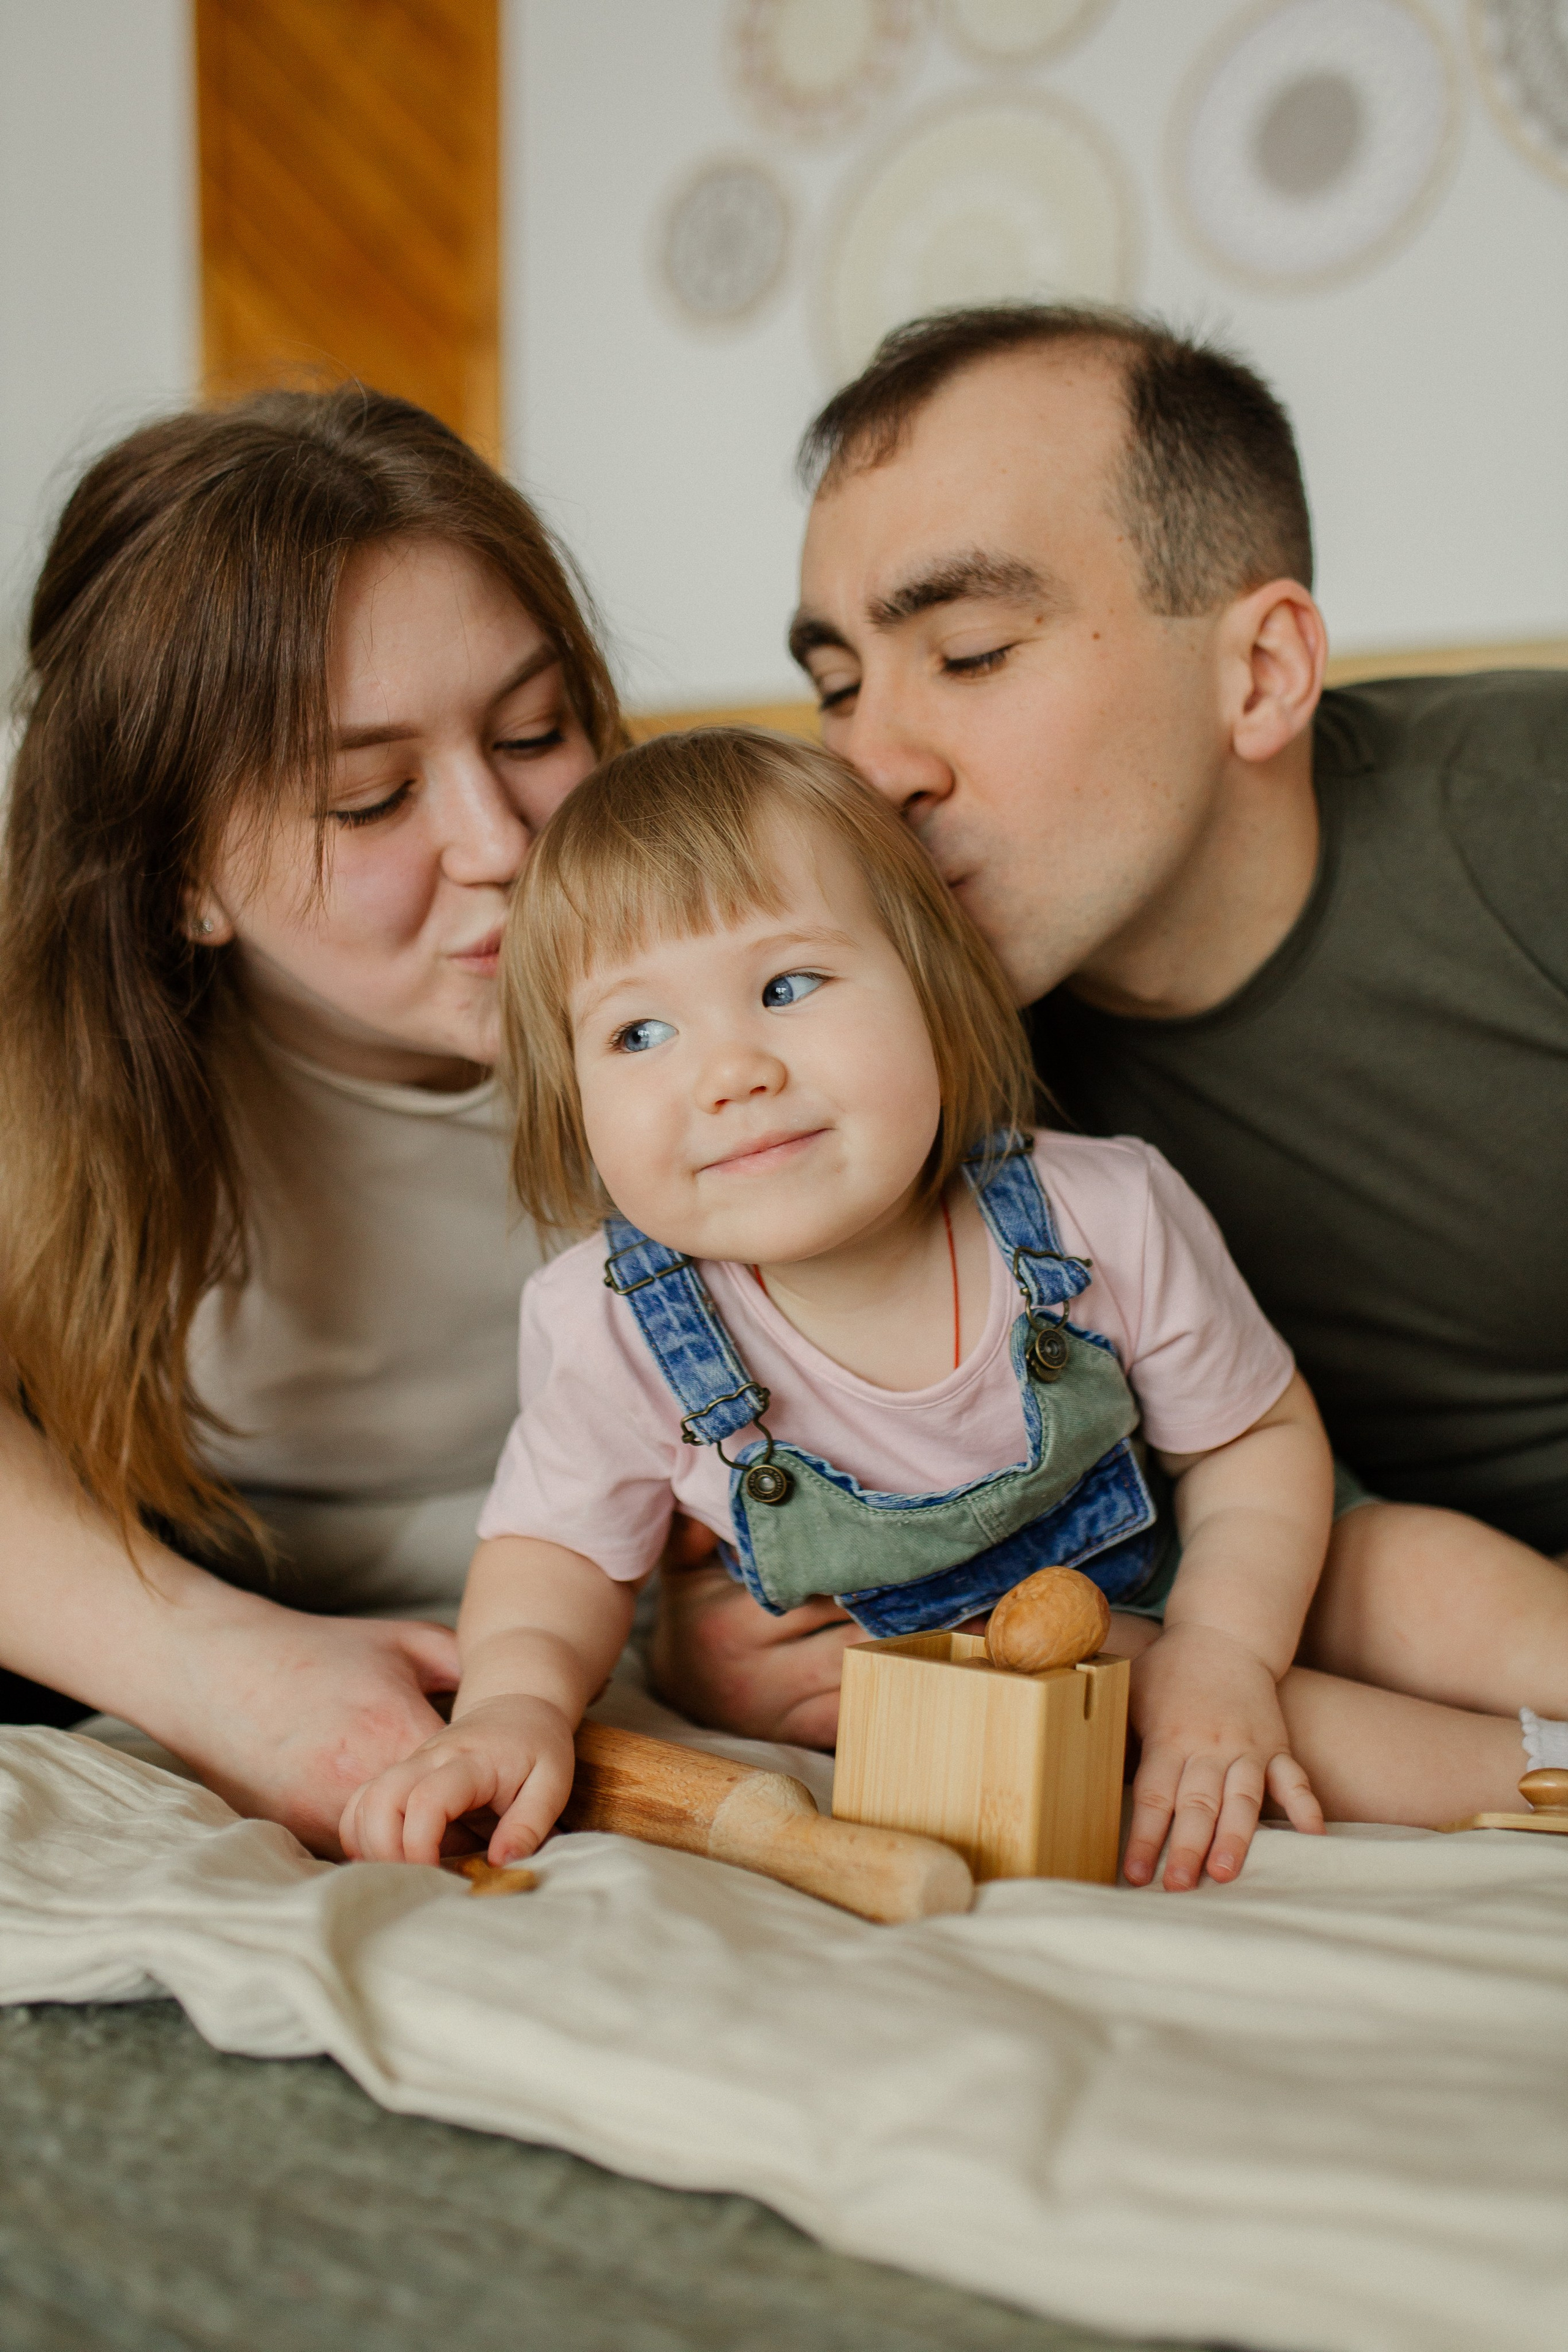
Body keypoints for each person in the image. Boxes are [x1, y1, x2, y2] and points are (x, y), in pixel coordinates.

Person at [652, 304, 1568, 1826]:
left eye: (967, 651)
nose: (874, 763)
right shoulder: (861, 1045)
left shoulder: (1527, 828)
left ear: (1260, 671)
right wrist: (761, 1615)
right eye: (837, 682)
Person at [342, 727, 1335, 1891]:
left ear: (935, 988)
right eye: (639, 1033)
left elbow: (1257, 1441)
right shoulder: (617, 1326)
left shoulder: (1095, 1212)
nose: (732, 1071)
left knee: (1418, 1574)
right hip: (992, 1675)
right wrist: (512, 1708)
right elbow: (557, 1556)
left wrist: (1227, 1648)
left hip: (1213, 1561)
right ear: (572, 1101)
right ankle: (1518, 1769)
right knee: (1281, 1723)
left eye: (787, 985)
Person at [0, 385, 619, 1854]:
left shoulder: (749, 994)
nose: (498, 845)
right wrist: (203, 1664)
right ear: (177, 881)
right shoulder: (54, 1070)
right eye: (368, 798)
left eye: (534, 731)